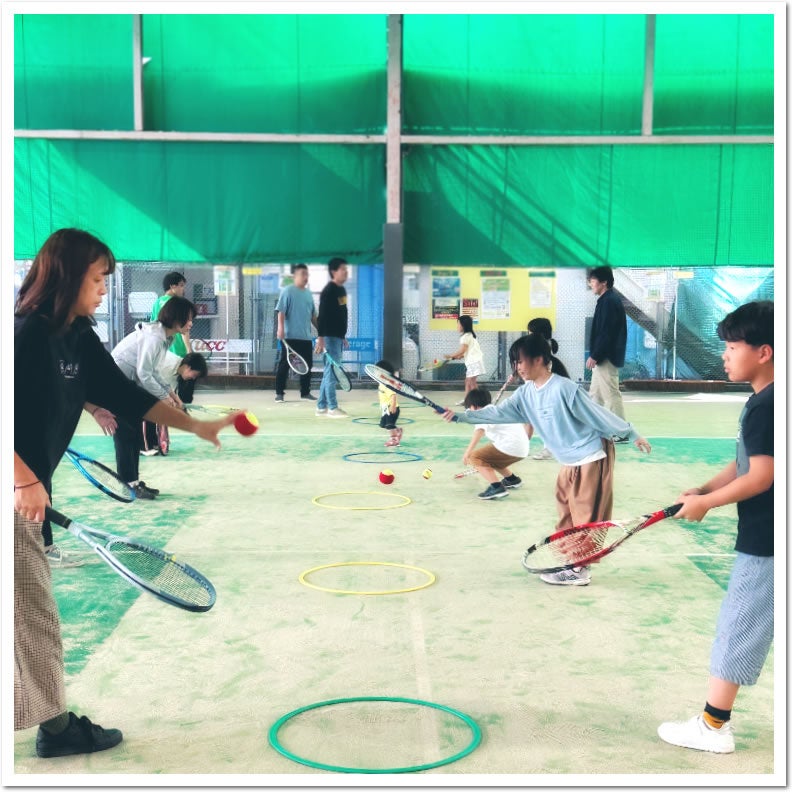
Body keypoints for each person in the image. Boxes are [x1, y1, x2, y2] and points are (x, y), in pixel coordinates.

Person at [14, 228, 236, 758]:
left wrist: (196, 426)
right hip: (17, 492)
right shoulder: (25, 334)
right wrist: (23, 478)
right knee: (32, 614)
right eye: (96, 279)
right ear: (67, 277)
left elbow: (121, 393)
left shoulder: (77, 334)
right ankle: (57, 728)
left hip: (28, 492)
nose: (101, 291)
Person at [442, 333, 651, 586]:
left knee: (585, 515)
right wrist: (461, 417)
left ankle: (578, 570)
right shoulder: (526, 393)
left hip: (590, 455)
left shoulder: (564, 389)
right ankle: (568, 562)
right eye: (515, 362)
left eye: (520, 361)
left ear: (539, 359)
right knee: (565, 510)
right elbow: (497, 413)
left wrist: (631, 432)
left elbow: (597, 415)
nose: (517, 367)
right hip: (568, 460)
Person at [658, 301, 773, 755]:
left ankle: (712, 727)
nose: (724, 354)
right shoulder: (765, 399)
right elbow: (748, 461)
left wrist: (706, 503)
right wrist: (704, 487)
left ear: (763, 351)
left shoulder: (766, 406)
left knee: (739, 625)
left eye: (731, 346)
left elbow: (764, 475)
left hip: (767, 541)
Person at [111, 296, 196, 496]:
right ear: (176, 319)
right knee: (126, 433)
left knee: (132, 432)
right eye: (189, 318)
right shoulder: (155, 337)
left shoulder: (166, 337)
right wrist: (164, 399)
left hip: (127, 384)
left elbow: (153, 371)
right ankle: (129, 485)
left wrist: (170, 394)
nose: (191, 323)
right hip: (115, 383)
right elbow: (143, 373)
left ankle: (133, 482)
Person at [460, 387, 531, 500]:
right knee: (490, 458)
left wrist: (468, 452)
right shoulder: (495, 410)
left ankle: (497, 487)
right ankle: (512, 480)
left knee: (475, 457)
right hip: (522, 449)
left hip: (511, 447)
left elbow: (479, 431)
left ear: (473, 406)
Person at [141, 352, 208, 456]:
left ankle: (154, 442)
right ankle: (144, 446)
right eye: (194, 375)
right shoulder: (165, 364)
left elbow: (168, 394)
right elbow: (147, 380)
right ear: (188, 368)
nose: (194, 378)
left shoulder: (178, 375)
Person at [585, 265, 628, 424]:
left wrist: (595, 355)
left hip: (606, 357)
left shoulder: (609, 301)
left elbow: (606, 332)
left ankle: (621, 430)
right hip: (604, 356)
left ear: (604, 282)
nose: (590, 283)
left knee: (610, 393)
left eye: (593, 280)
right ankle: (594, 427)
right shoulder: (607, 300)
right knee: (595, 395)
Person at [526, 317, 570, 460]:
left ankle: (548, 449)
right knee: (531, 418)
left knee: (544, 419)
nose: (528, 334)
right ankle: (523, 446)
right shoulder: (543, 345)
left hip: (547, 390)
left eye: (530, 332)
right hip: (541, 388)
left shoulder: (542, 348)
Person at [274, 263, 318, 402]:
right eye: (302, 274)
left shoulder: (309, 294)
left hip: (306, 338)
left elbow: (313, 316)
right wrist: (280, 329)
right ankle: (279, 393)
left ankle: (305, 393)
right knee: (284, 365)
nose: (305, 277)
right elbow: (281, 312)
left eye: (307, 274)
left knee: (307, 366)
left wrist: (321, 331)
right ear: (295, 276)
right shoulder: (287, 291)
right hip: (289, 337)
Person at [315, 257, 350, 418]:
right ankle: (332, 408)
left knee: (329, 371)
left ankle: (321, 406)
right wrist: (321, 338)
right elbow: (322, 317)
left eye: (346, 268)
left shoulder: (341, 291)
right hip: (328, 337)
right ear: (333, 272)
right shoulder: (328, 291)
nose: (346, 271)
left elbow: (342, 314)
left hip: (337, 337)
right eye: (342, 269)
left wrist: (343, 336)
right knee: (332, 372)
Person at [444, 315, 485, 405]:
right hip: (474, 362)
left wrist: (450, 355)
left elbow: (462, 350)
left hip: (474, 362)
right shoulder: (471, 335)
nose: (457, 326)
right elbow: (466, 352)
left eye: (458, 324)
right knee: (468, 381)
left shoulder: (465, 337)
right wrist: (456, 357)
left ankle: (480, 401)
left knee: (471, 382)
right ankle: (467, 400)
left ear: (464, 325)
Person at [375, 359, 403, 447]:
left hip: (391, 408)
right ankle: (397, 431)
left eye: (377, 371)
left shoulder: (387, 384)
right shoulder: (382, 382)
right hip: (385, 409)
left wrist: (393, 406)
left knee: (389, 425)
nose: (375, 373)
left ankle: (394, 440)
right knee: (383, 424)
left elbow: (393, 395)